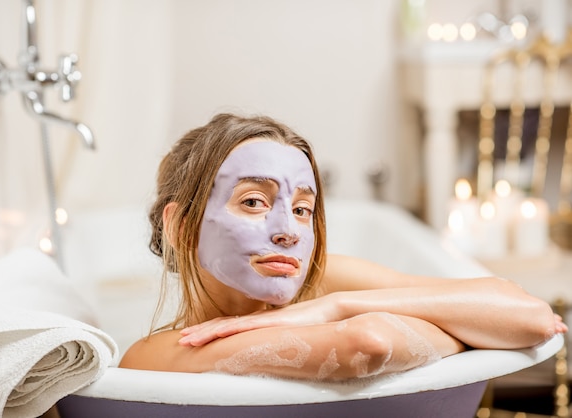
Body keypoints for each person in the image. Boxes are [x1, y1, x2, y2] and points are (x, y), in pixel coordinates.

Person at [120, 113, 567, 381]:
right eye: (254, 202)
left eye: (302, 209)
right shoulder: (154, 356)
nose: (289, 232)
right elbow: (368, 343)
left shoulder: (325, 279)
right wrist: (470, 328)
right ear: (180, 226)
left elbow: (530, 316)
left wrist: (333, 305)